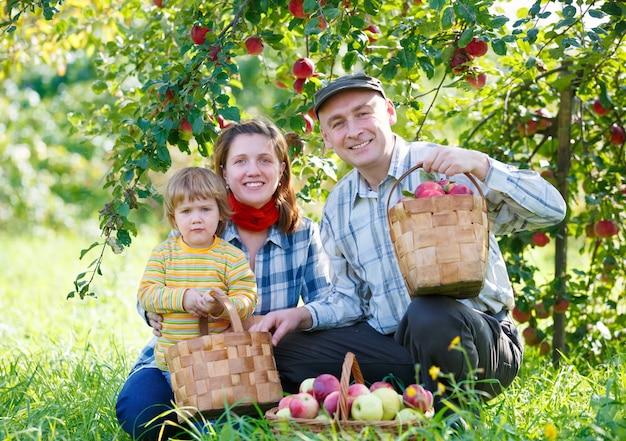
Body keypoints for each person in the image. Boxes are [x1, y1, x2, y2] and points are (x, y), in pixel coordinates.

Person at [250, 73, 567, 414]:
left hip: (478, 343)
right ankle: (383, 403)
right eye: (338, 123)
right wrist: (300, 315)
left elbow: (552, 210)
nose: (354, 130)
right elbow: (349, 299)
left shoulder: (442, 168)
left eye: (363, 114)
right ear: (327, 138)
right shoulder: (339, 205)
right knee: (284, 349)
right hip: (398, 347)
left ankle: (454, 419)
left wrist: (482, 165)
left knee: (428, 311)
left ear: (389, 112)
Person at [116, 120, 333, 441]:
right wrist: (157, 312)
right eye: (240, 161)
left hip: (251, 365)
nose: (253, 170)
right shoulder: (199, 220)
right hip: (179, 357)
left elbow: (327, 303)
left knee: (236, 421)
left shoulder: (303, 234)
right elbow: (149, 291)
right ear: (225, 173)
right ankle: (191, 420)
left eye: (264, 160)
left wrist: (295, 316)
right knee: (140, 410)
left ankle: (210, 424)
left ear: (281, 170)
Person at [137, 166, 258, 379]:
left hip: (218, 361)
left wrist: (221, 306)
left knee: (213, 409)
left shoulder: (231, 257)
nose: (196, 219)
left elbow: (248, 299)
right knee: (156, 407)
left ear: (221, 213)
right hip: (170, 363)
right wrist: (183, 298)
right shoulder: (164, 253)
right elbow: (147, 294)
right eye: (186, 211)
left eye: (205, 209)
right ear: (174, 219)